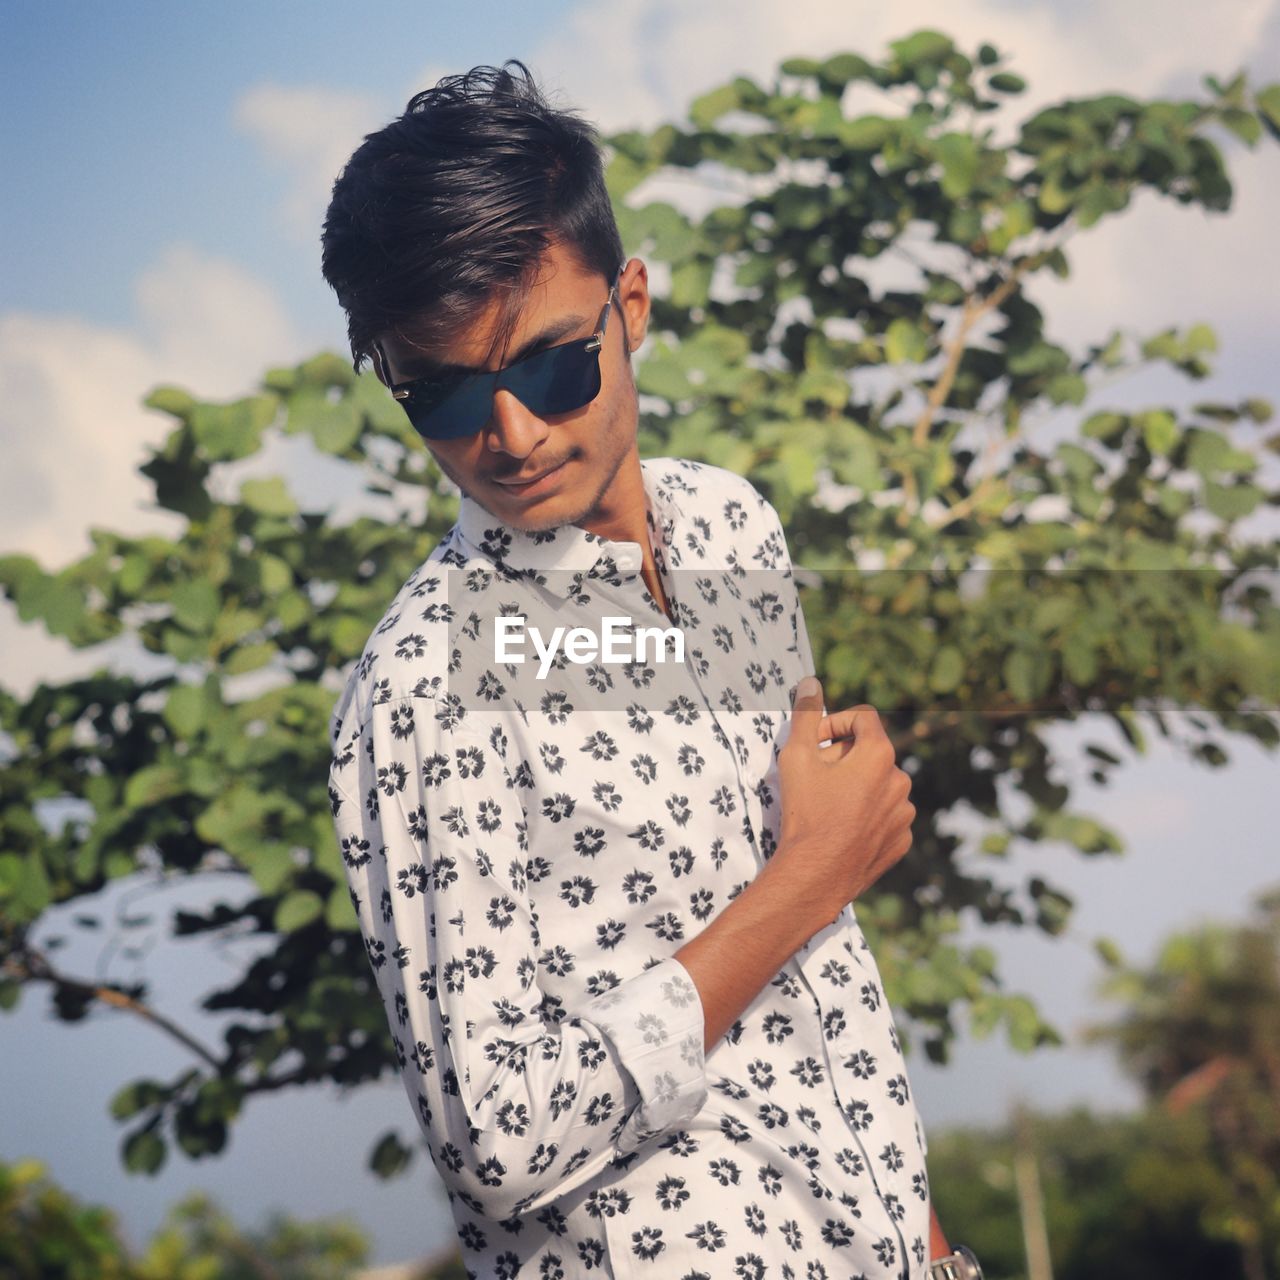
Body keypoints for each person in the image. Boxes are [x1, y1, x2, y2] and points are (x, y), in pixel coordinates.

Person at [321, 61, 981, 1280]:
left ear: (630, 302)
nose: (509, 433)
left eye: (550, 366)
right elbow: (493, 1138)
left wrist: (934, 1254)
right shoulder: (426, 683)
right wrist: (811, 873)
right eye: (446, 394)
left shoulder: (731, 530)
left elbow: (818, 984)